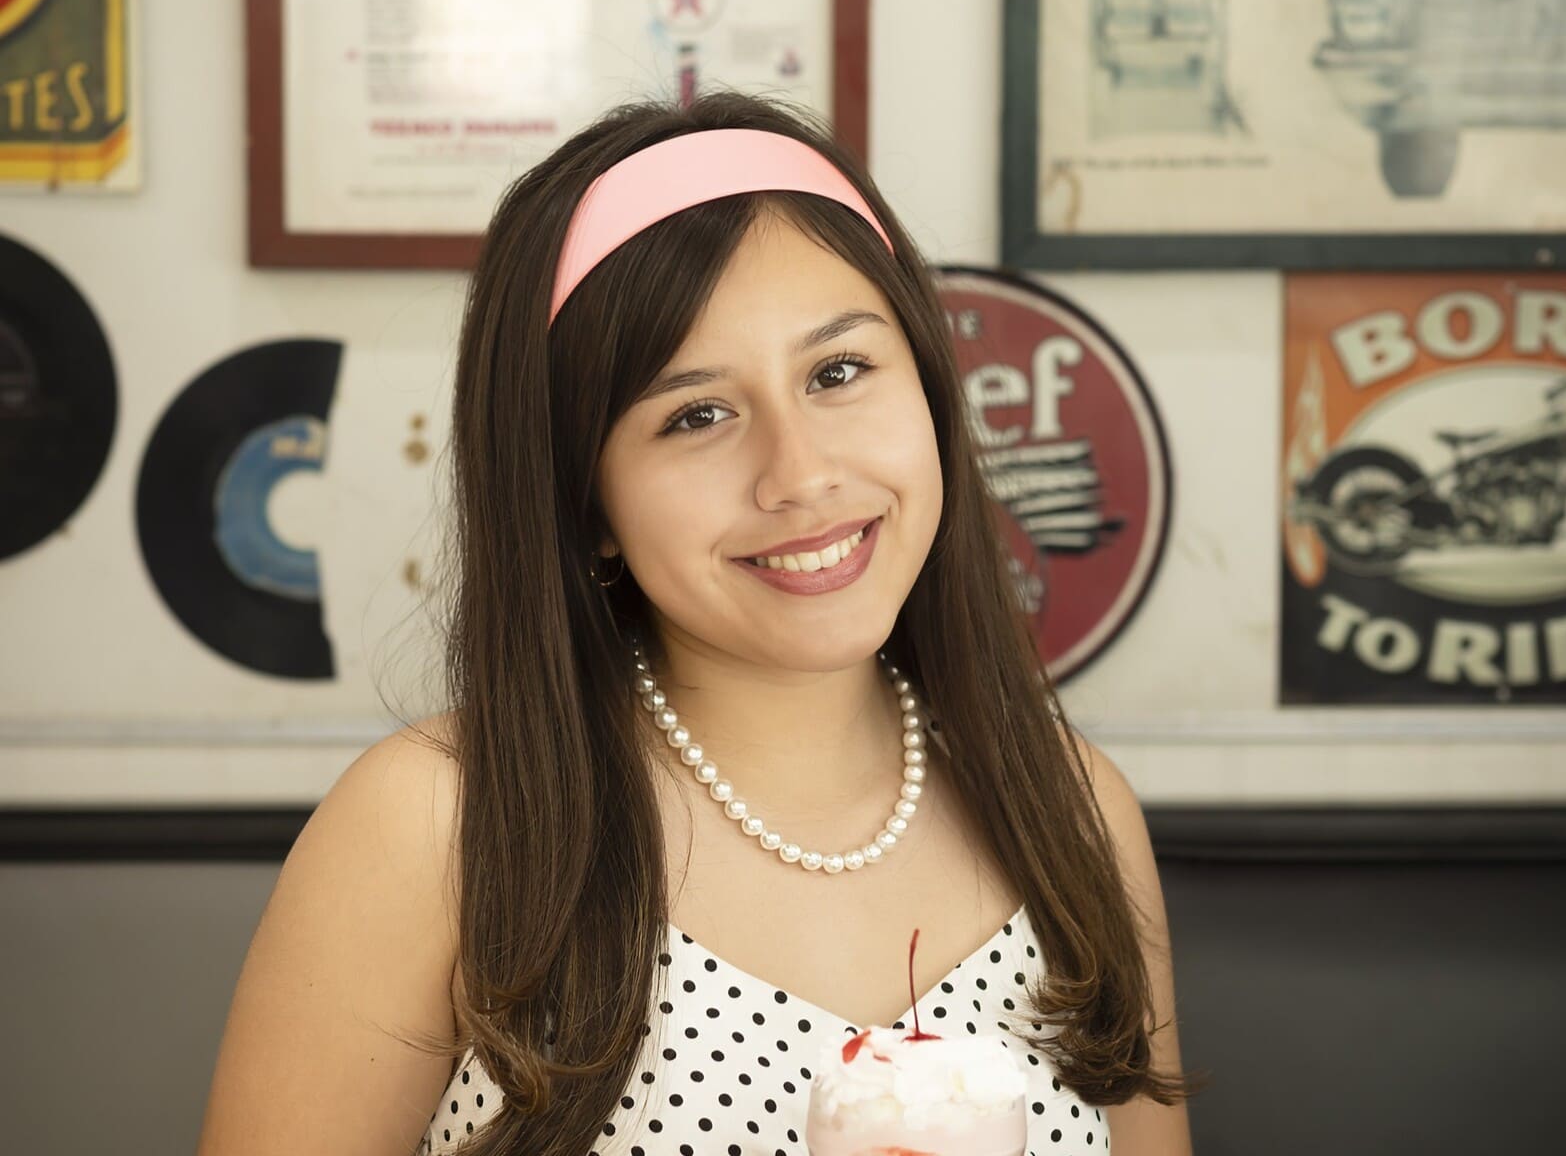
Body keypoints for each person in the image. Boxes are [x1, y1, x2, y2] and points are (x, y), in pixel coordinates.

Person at [196, 90, 1201, 1156]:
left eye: (839, 371)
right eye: (696, 414)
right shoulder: (436, 826)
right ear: (584, 503)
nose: (800, 473)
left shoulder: (1073, 807)